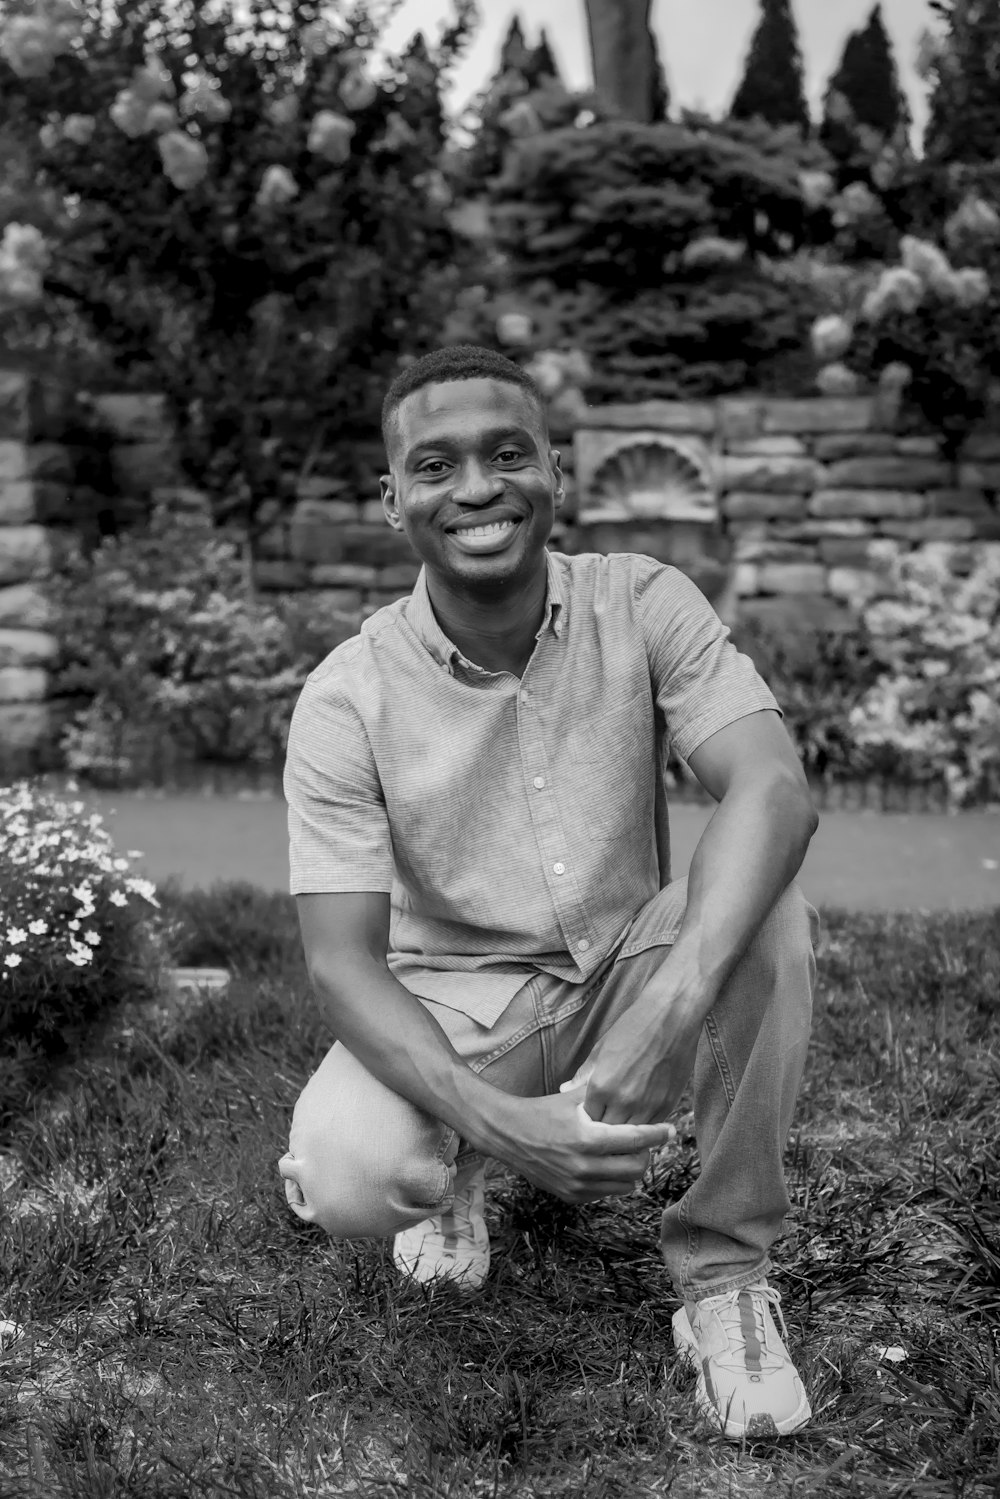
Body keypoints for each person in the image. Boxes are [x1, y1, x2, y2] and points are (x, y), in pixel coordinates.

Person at [278, 344, 821, 1443]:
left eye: (505, 454)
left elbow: (770, 784)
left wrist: (667, 1006)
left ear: (555, 475)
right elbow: (341, 960)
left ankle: (724, 1277)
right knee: (347, 1173)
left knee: (765, 897)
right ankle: (464, 1158)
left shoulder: (646, 601)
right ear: (393, 501)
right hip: (461, 1015)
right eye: (434, 466)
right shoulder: (345, 697)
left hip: (631, 965)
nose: (475, 489)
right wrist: (509, 1127)